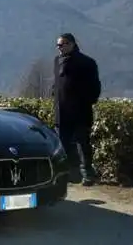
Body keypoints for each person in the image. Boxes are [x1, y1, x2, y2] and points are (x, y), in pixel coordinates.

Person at [53, 33, 101, 186]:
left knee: (83, 144)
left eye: (62, 44)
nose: (59, 48)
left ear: (72, 44)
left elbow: (95, 88)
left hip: (80, 111)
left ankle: (87, 174)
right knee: (62, 145)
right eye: (58, 45)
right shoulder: (57, 61)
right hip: (62, 112)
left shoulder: (87, 62)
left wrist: (86, 102)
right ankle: (64, 175)